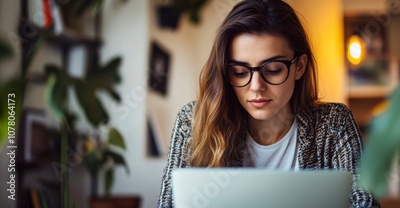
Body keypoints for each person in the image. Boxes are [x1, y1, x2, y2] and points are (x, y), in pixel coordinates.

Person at [157, 0, 380, 207]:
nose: (256, 86)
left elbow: (364, 200)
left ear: (299, 67)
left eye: (273, 70)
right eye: (240, 72)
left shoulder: (334, 124)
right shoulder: (193, 122)